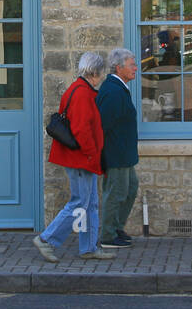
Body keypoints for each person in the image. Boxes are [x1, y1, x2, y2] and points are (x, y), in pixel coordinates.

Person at [33, 51, 115, 261]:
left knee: (90, 204)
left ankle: (88, 247)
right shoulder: (82, 94)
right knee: (80, 203)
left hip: (80, 157)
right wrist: (91, 156)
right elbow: (82, 131)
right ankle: (46, 239)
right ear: (95, 72)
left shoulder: (77, 90)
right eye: (101, 73)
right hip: (81, 158)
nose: (101, 78)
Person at [97, 47, 140, 249]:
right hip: (116, 154)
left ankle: (116, 228)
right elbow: (103, 126)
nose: (136, 68)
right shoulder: (113, 91)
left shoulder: (119, 88)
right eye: (131, 65)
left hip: (124, 154)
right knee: (116, 193)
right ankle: (107, 236)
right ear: (118, 67)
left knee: (130, 188)